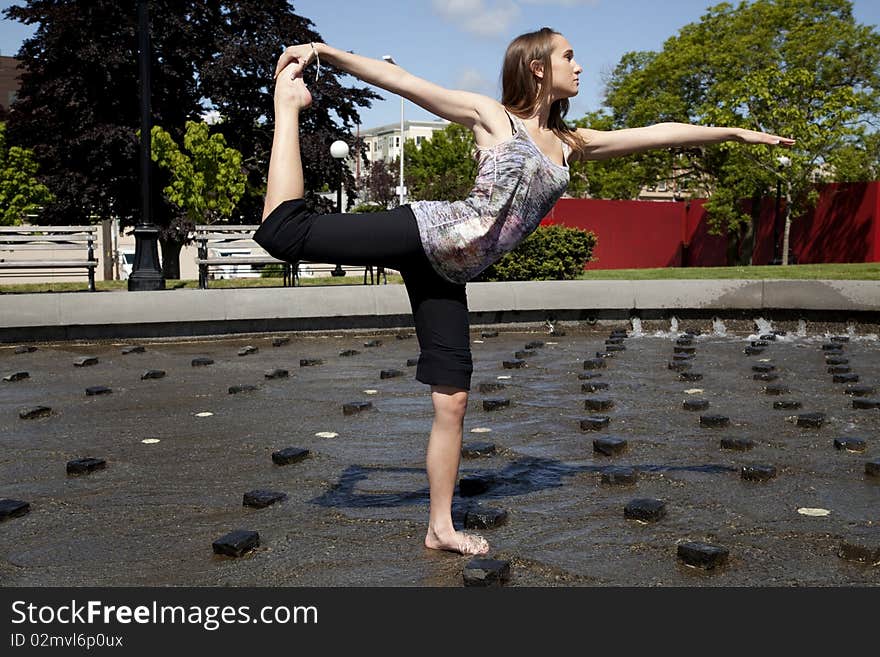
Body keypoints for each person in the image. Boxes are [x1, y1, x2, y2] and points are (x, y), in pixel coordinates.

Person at [255, 27, 794, 556]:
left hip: (448, 275)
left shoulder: (569, 145)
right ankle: (286, 107)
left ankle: (439, 527)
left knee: (454, 400)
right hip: (425, 232)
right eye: (569, 56)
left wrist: (733, 134)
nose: (579, 66)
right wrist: (322, 51)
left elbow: (654, 133)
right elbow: (402, 81)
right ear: (539, 67)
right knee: (284, 233)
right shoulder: (494, 118)